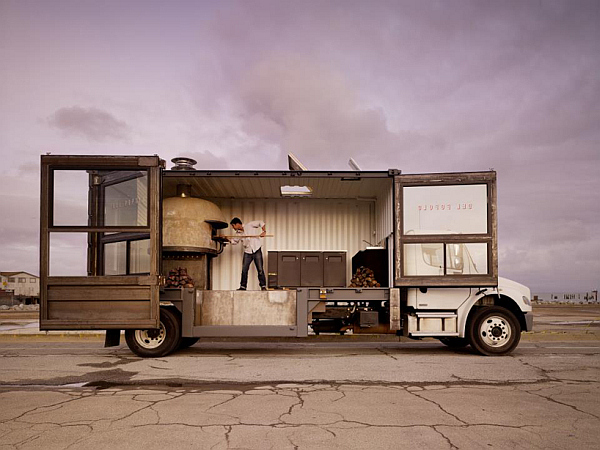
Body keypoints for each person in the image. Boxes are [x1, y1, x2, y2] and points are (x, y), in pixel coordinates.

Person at [228, 217, 267, 291]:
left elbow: (260, 222)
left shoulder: (250, 225)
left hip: (256, 249)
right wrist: (226, 239)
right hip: (247, 252)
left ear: (237, 224)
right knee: (244, 270)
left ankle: (263, 286)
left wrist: (264, 231)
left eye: (233, 226)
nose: (233, 228)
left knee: (260, 269)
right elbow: (234, 241)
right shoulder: (238, 233)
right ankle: (243, 286)